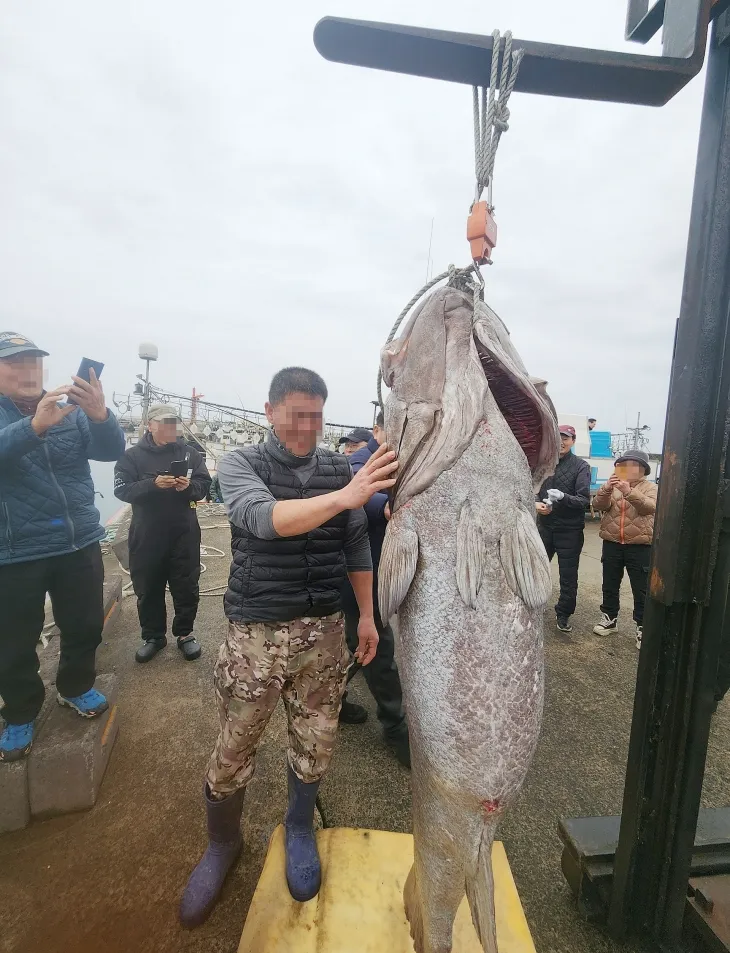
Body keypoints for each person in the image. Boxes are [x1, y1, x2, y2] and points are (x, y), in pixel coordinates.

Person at [179, 367, 397, 927]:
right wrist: (348, 493)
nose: (307, 426)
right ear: (271, 410)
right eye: (297, 414)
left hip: (324, 632)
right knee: (235, 745)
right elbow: (264, 520)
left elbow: (355, 548)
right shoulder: (242, 464)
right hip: (257, 633)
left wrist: (367, 618)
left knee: (318, 739)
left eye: (317, 415)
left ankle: (300, 826)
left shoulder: (332, 466)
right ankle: (223, 845)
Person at [0, 331, 125, 762]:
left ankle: (74, 686)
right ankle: (19, 711)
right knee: (13, 640)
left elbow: (112, 451)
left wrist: (100, 414)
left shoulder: (69, 411)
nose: (27, 370)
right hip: (14, 551)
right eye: (15, 363)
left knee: (85, 623)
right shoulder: (30, 415)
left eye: (34, 362)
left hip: (77, 540)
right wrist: (33, 426)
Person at [339, 410, 410, 767]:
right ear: (377, 429)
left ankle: (333, 700)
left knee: (352, 646)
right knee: (378, 649)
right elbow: (360, 493)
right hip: (356, 574)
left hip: (383, 570)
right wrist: (384, 507)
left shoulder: (403, 460)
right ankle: (396, 726)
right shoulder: (359, 460)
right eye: (394, 427)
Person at [113, 404, 212, 663]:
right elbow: (122, 490)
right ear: (150, 424)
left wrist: (188, 487)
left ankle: (185, 634)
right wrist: (152, 484)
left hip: (184, 532)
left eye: (174, 422)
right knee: (148, 588)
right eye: (165, 422)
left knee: (186, 586)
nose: (172, 427)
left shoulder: (191, 453)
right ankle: (153, 636)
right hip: (147, 534)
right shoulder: (131, 457)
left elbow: (204, 486)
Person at [592, 449, 657, 649]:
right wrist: (606, 489)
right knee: (610, 583)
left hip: (640, 545)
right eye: (623, 465)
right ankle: (610, 618)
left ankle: (643, 626)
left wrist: (628, 491)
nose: (627, 469)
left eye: (632, 465)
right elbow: (598, 505)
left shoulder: (650, 487)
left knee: (641, 588)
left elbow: (648, 507)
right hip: (612, 542)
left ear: (643, 469)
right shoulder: (614, 487)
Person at [535, 424, 591, 633]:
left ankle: (564, 613)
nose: (562, 442)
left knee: (568, 575)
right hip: (545, 527)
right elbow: (532, 489)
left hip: (570, 531)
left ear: (573, 441)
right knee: (537, 568)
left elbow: (583, 499)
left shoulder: (580, 466)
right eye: (558, 438)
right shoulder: (544, 464)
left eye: (566, 438)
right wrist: (537, 504)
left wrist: (564, 497)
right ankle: (536, 604)